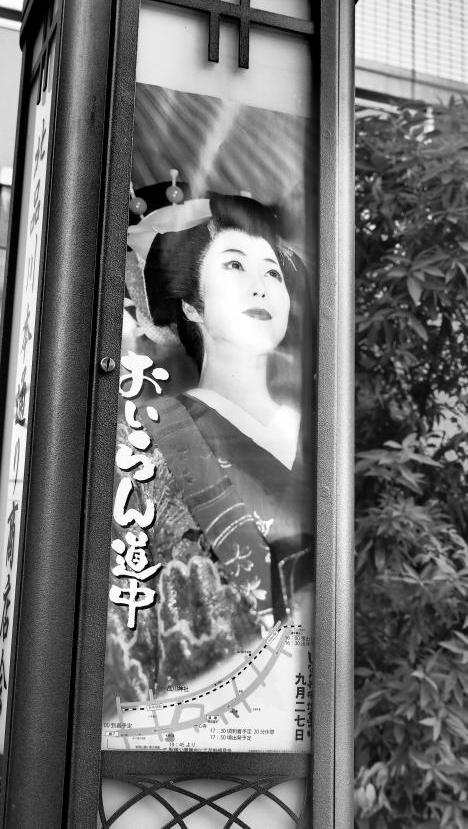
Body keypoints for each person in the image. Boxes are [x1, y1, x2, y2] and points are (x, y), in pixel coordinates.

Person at [103, 192, 314, 713]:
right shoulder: (148, 439)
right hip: (190, 721)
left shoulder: (319, 436)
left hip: (301, 710)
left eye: (272, 272)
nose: (260, 285)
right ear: (191, 306)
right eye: (235, 265)